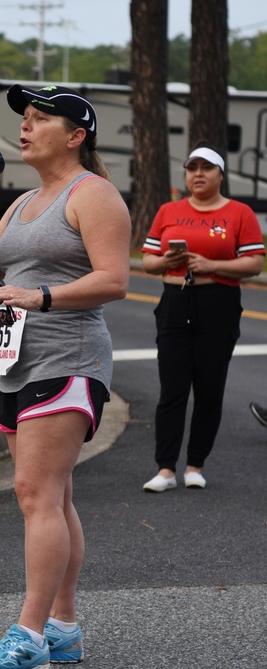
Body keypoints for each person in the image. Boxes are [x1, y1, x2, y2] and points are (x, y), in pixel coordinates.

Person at [0, 84, 130, 669]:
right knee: (55, 495)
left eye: (39, 119)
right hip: (18, 361)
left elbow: (116, 280)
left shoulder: (92, 194)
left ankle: (28, 637)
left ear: (75, 136)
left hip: (69, 357)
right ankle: (63, 629)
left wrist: (40, 296)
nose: (25, 126)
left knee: (33, 493)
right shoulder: (24, 202)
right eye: (23, 118)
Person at [140, 144, 265, 492]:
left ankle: (195, 465)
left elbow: (254, 263)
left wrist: (213, 265)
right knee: (172, 389)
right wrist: (166, 260)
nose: (198, 174)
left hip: (218, 301)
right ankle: (165, 469)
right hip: (174, 301)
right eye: (192, 167)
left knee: (209, 389)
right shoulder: (168, 211)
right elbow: (147, 261)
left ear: (220, 174)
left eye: (206, 168)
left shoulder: (239, 213)